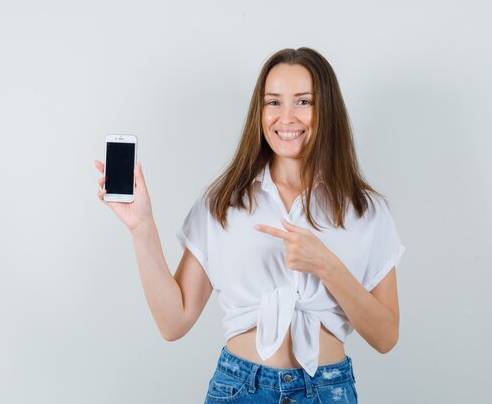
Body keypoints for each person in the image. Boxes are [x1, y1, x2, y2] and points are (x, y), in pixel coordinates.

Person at [94, 47, 405, 404]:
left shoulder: (365, 210)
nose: (286, 117)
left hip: (326, 391)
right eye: (273, 102)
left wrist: (326, 265)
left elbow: (386, 337)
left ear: (327, 111)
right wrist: (141, 228)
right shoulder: (224, 201)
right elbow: (174, 322)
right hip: (241, 389)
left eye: (303, 102)